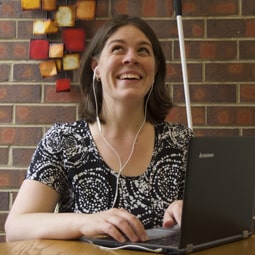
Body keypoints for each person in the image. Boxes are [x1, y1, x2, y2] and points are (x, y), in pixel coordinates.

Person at [5, 14, 193, 243]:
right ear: (96, 68)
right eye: (118, 49)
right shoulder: (64, 140)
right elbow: (16, 226)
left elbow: (218, 221)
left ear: (154, 71)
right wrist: (86, 221)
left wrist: (191, 214)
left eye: (143, 50)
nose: (131, 58)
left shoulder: (182, 141)